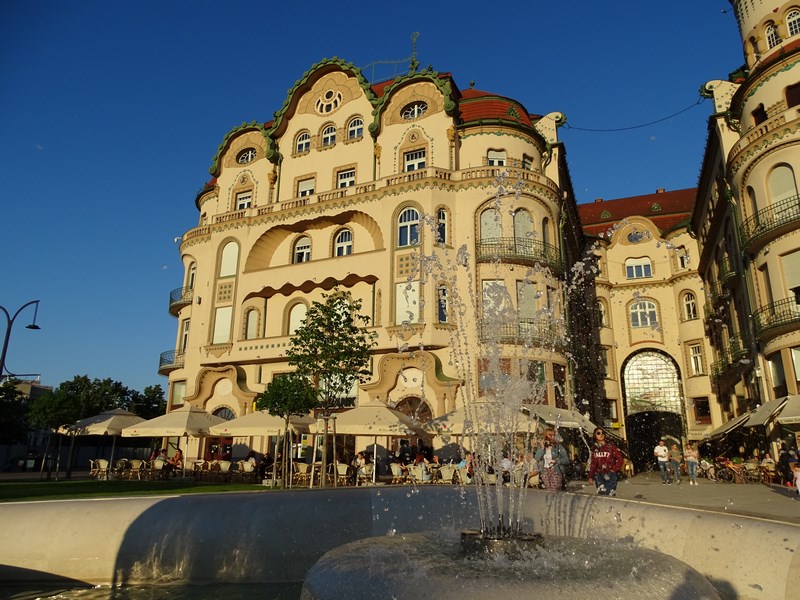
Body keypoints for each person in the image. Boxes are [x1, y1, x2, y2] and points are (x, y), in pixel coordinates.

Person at [588, 428, 624, 496]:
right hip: (599, 475)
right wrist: (590, 476)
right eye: (598, 433)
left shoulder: (611, 447)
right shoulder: (594, 448)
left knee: (610, 494)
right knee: (601, 495)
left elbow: (620, 459)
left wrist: (613, 469)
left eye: (602, 433)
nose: (601, 434)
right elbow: (593, 463)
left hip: (610, 474)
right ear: (595, 435)